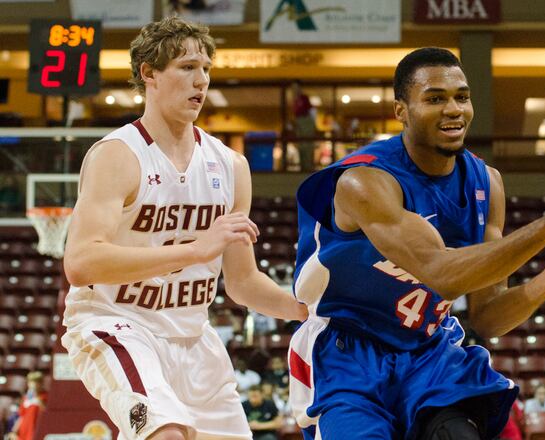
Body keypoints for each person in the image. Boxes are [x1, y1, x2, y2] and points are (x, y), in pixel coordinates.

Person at [287, 47, 545, 439]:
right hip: (348, 351)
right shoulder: (363, 181)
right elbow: (441, 275)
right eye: (435, 98)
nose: (454, 109)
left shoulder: (488, 183)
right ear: (402, 110)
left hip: (429, 351)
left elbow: (488, 318)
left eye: (462, 97)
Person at [60, 17, 306, 440]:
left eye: (206, 68)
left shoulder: (231, 166)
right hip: (118, 323)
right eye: (187, 67)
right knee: (167, 433)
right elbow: (81, 263)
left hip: (193, 336)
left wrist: (309, 312)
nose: (201, 80)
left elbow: (243, 284)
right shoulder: (117, 155)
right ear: (149, 73)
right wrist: (195, 250)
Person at [7, 371, 47, 440]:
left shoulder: (45, 396)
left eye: (36, 382)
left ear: (41, 383)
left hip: (37, 430)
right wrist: (14, 431)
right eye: (31, 382)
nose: (34, 385)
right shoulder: (26, 398)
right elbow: (21, 416)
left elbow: (46, 411)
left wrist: (37, 396)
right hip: (24, 431)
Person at [290, 80, 317, 172]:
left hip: (306, 123)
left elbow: (310, 112)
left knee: (307, 147)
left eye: (296, 87)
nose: (294, 90)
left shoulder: (304, 99)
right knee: (301, 147)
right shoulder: (294, 101)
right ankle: (303, 167)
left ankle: (308, 167)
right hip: (300, 125)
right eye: (293, 88)